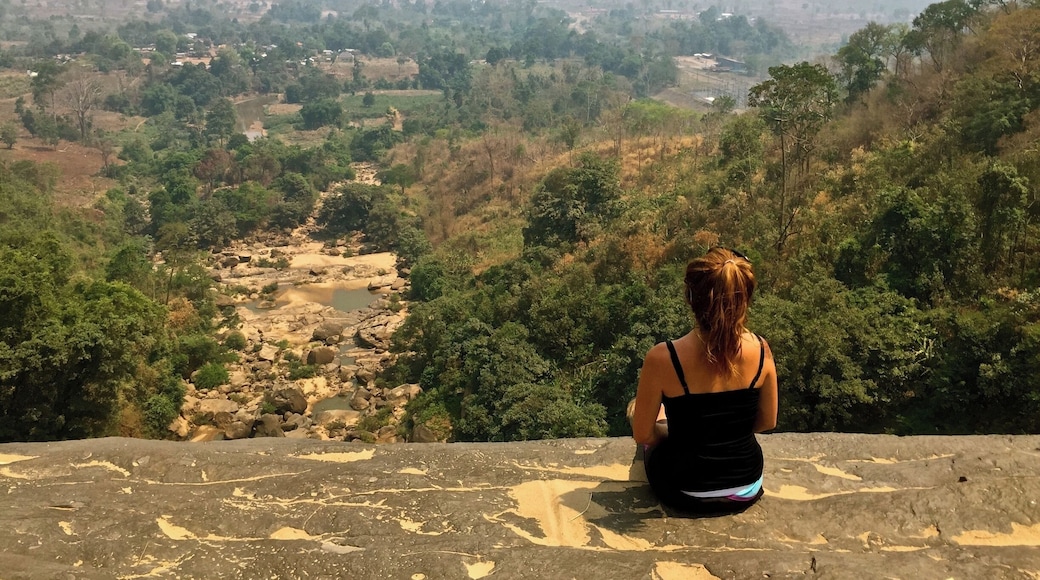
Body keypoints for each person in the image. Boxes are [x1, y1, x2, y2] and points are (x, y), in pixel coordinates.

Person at [629, 247, 778, 515]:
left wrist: (669, 429)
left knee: (636, 410)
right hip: (746, 486)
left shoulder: (663, 357)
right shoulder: (761, 349)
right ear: (745, 297)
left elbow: (642, 434)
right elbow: (767, 422)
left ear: (691, 298)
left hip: (684, 488)